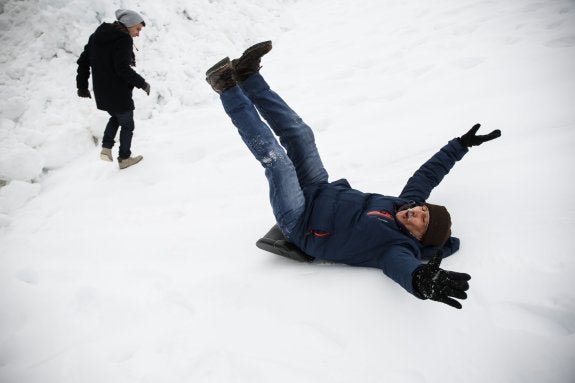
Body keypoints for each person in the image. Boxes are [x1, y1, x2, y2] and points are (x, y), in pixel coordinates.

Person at [205, 41, 501, 309]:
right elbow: (428, 176)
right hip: (317, 188)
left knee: (278, 161)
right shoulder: (404, 204)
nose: (415, 213)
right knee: (301, 134)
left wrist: (420, 280)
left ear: (418, 239)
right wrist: (460, 145)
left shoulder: (396, 248)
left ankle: (227, 89)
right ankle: (248, 77)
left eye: (420, 222)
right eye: (422, 210)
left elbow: (402, 268)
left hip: (300, 220)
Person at [76, 9, 150, 170]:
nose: (137, 34)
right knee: (128, 125)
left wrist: (82, 86)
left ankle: (106, 148)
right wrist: (142, 83)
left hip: (102, 93)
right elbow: (122, 68)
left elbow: (83, 61)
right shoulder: (123, 40)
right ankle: (124, 158)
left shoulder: (96, 36)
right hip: (119, 92)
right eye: (137, 29)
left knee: (116, 117)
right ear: (129, 24)